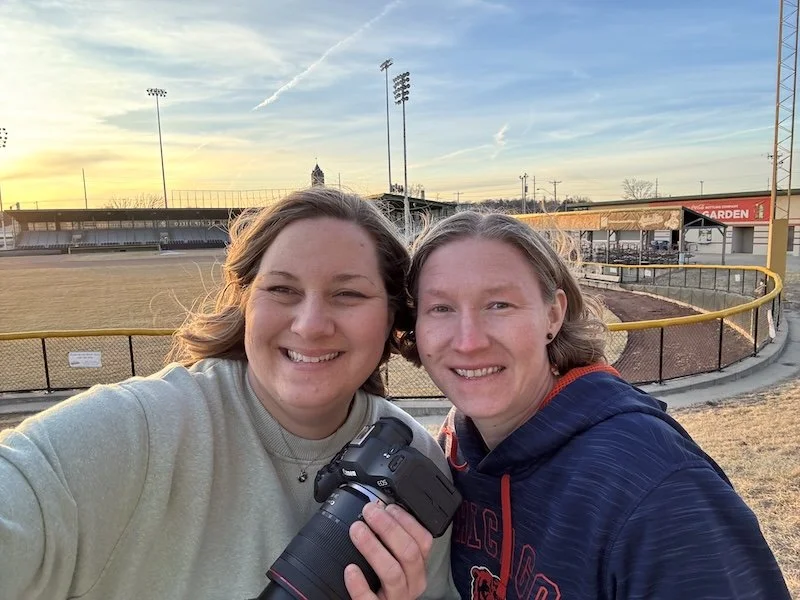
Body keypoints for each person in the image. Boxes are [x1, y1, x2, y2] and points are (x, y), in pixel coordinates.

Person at [0, 188, 457, 600]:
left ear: (393, 317)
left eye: (349, 294)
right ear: (245, 303)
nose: (311, 324)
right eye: (281, 289)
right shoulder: (139, 428)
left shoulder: (417, 458)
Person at [400, 210, 791, 599]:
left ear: (553, 314)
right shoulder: (455, 442)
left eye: (499, 304)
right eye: (441, 308)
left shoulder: (657, 484)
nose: (469, 341)